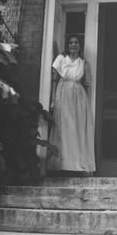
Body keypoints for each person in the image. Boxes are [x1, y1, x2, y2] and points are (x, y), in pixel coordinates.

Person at [47, 35, 96, 174]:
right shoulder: (61, 59)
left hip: (79, 98)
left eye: (76, 43)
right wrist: (53, 99)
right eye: (71, 43)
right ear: (67, 45)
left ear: (79, 46)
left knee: (77, 129)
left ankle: (77, 164)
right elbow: (54, 79)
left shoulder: (83, 63)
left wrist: (87, 103)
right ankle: (61, 165)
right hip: (63, 94)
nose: (73, 45)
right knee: (63, 127)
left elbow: (87, 85)